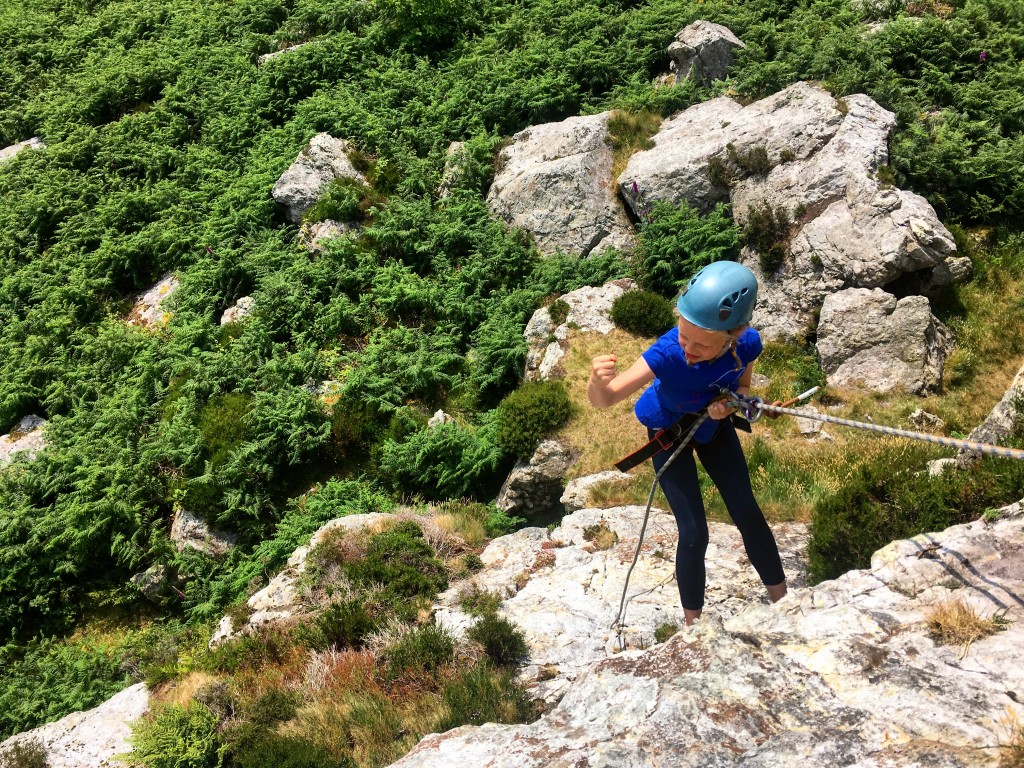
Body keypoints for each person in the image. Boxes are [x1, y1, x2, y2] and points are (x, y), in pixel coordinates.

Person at [587, 261, 787, 626]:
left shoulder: (746, 346)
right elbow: (607, 398)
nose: (689, 349)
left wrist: (728, 407)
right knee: (694, 531)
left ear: (734, 335)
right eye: (684, 336)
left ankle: (786, 604)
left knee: (749, 514)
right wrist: (597, 383)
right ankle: (692, 626)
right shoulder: (666, 353)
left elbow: (742, 387)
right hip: (668, 434)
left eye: (702, 344)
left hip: (711, 429)